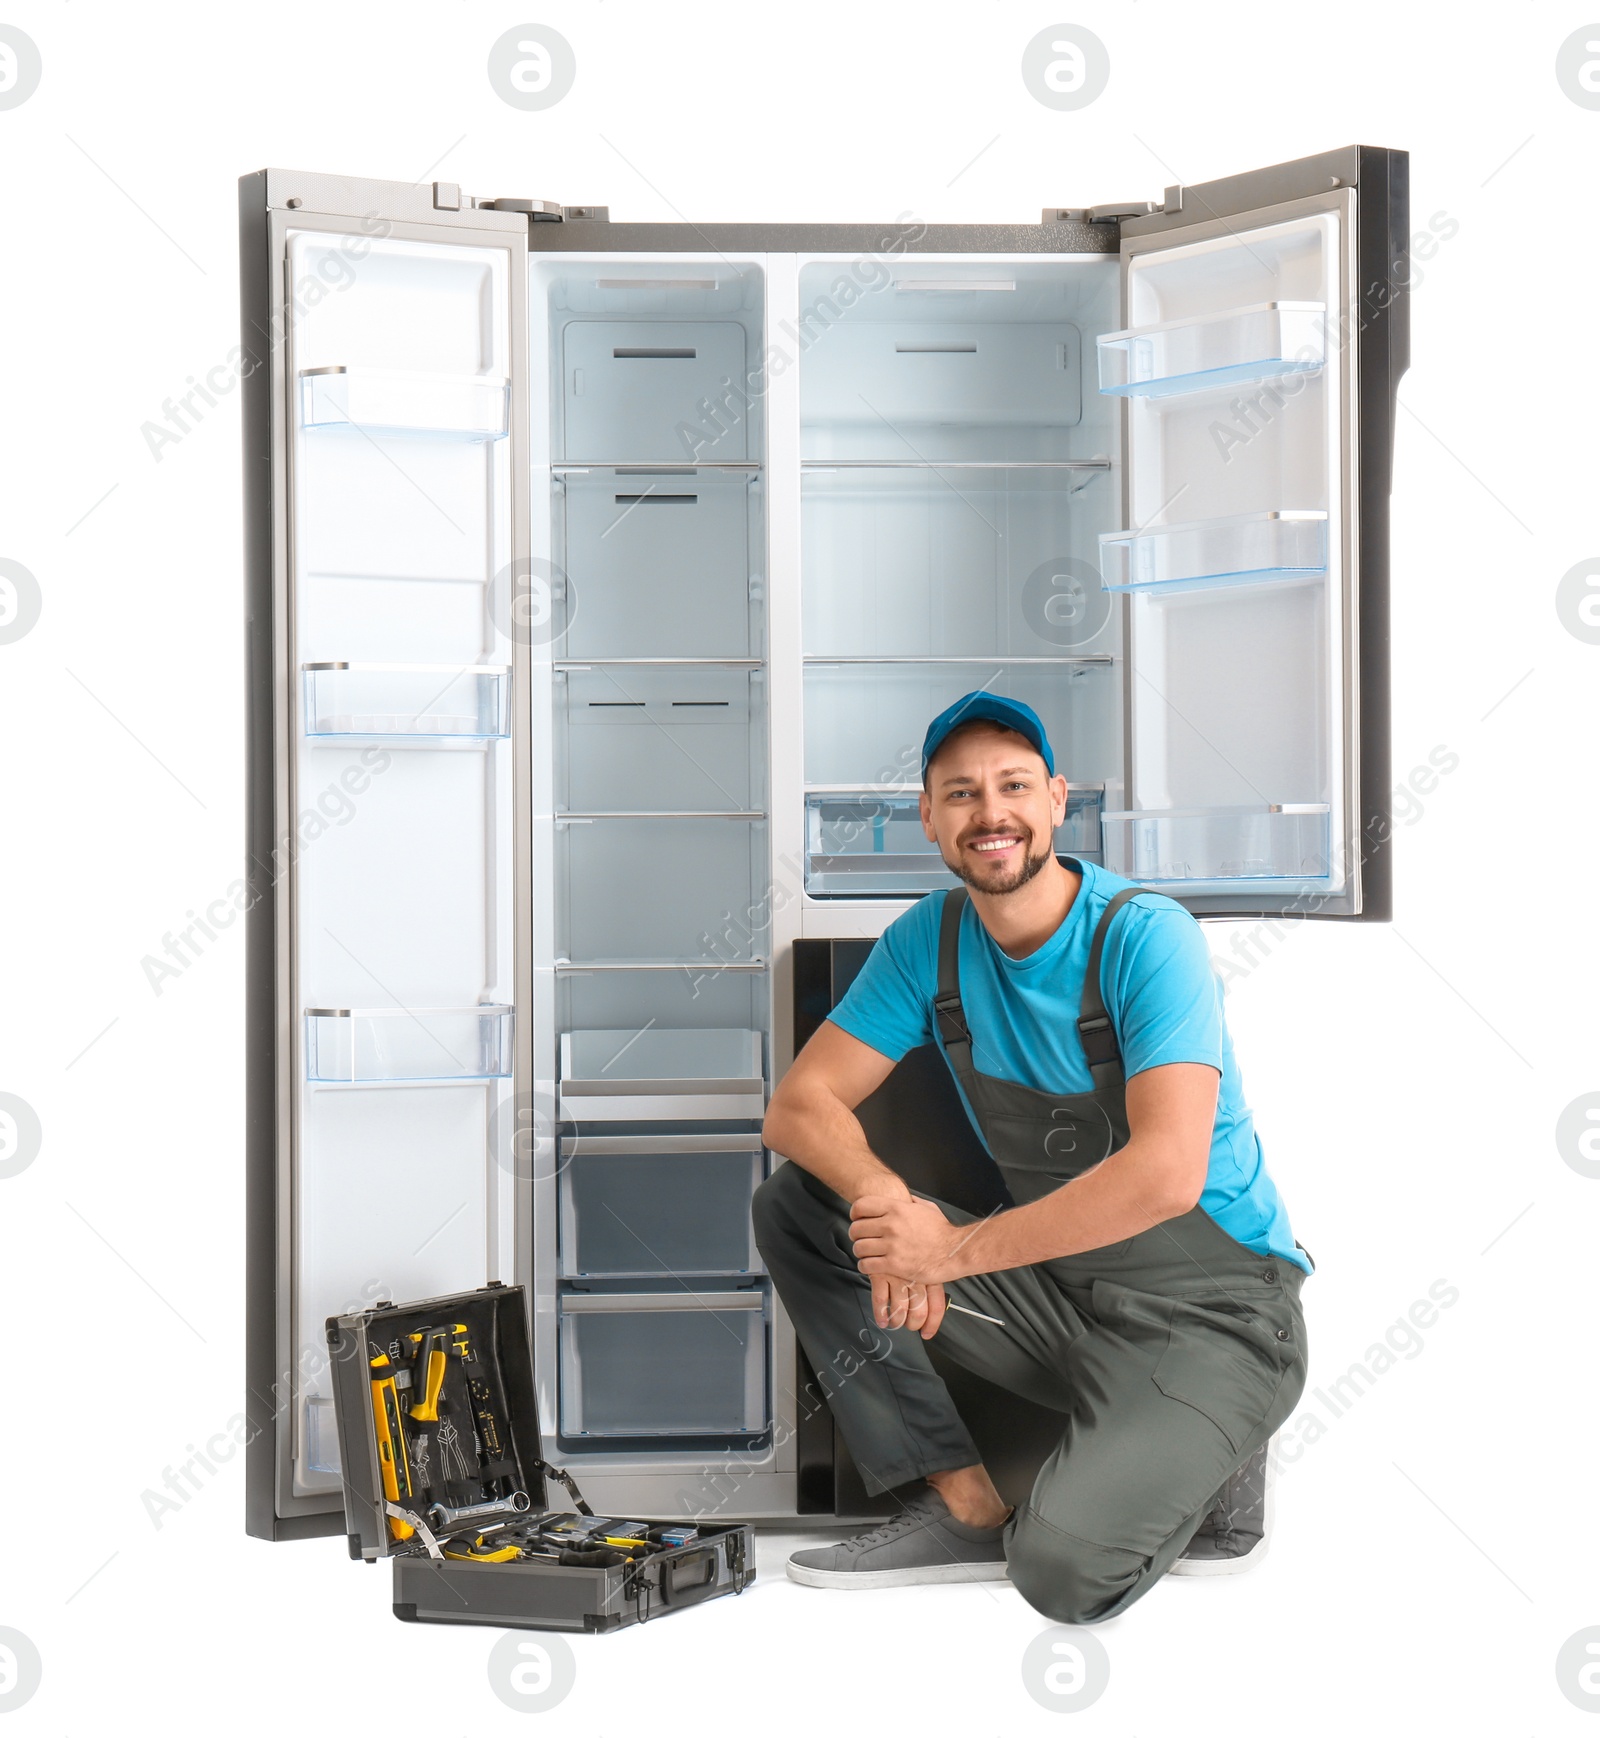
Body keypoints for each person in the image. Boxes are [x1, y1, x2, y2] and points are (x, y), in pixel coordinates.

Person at [754, 691, 1313, 1622]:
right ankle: (966, 1505)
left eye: (1013, 786)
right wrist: (890, 1203)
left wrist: (949, 1254)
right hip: (1067, 1303)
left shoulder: (1143, 937)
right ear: (929, 817)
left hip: (1217, 1318)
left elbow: (1168, 1175)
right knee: (801, 1204)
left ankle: (1214, 1453)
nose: (990, 813)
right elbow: (800, 1107)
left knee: (1060, 1576)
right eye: (961, 793)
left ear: (1057, 800)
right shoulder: (927, 943)